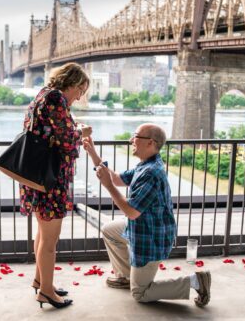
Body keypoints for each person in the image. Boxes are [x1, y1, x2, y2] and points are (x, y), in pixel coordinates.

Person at [82, 124, 211, 306]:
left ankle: (195, 281)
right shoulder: (147, 164)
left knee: (140, 294)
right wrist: (92, 152)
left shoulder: (151, 173)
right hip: (142, 228)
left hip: (151, 238)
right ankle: (127, 276)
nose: (131, 140)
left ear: (150, 143)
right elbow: (117, 179)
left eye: (135, 136)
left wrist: (108, 186)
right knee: (110, 230)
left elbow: (131, 212)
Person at [19, 62, 92, 309]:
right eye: (81, 89)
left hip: (38, 177)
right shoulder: (56, 98)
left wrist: (73, 128)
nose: (80, 95)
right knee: (51, 238)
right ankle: (46, 292)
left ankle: (41, 281)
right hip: (51, 180)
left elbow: (50, 132)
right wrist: (82, 133)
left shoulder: (42, 95)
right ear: (72, 83)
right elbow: (65, 141)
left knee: (42, 232)